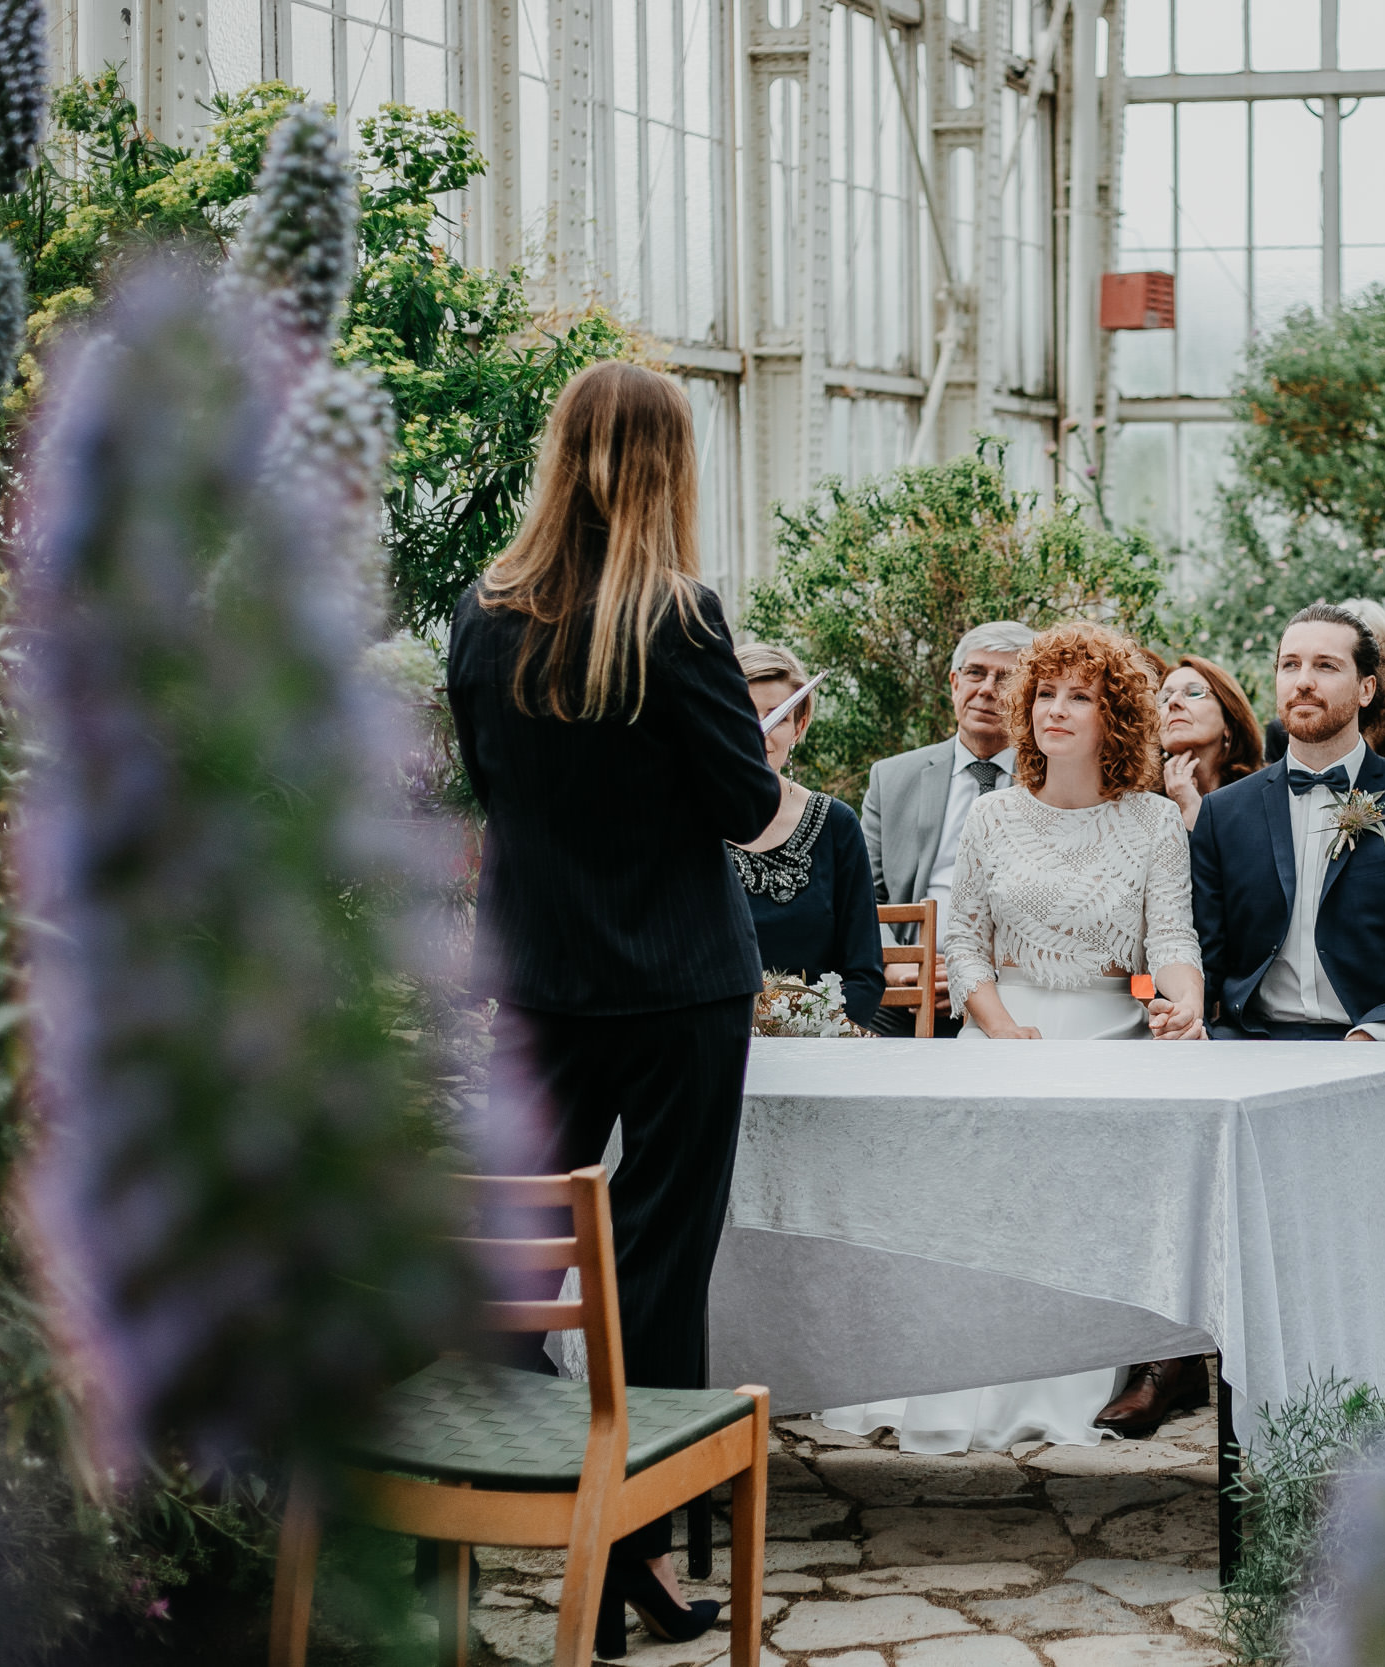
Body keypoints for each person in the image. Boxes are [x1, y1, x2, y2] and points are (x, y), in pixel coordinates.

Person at [446, 360, 777, 1655]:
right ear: (669, 467)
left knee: (517, 1252)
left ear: (557, 450)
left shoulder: (482, 615)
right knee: (656, 1261)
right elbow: (749, 805)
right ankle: (629, 1541)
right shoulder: (678, 618)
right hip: (684, 981)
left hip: (536, 978)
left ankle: (494, 1509)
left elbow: (489, 782)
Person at [825, 621, 1208, 1453]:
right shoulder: (994, 817)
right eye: (1045, 693)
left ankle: (1102, 1362)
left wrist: (1182, 1009)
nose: (1054, 710)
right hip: (1005, 1033)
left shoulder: (1152, 823)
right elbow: (961, 943)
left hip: (1113, 1033)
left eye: (1081, 696)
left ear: (1117, 718)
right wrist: (998, 1026)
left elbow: (1172, 945)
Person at [1192, 604, 1385, 1043]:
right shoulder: (1223, 812)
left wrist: (1382, 1029)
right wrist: (1190, 1022)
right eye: (1290, 665)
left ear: (1367, 689)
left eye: (1326, 666)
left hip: (1377, 1043)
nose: (1303, 680)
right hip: (1253, 1044)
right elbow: (1204, 958)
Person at [860, 620, 1036, 1035]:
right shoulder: (892, 778)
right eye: (976, 673)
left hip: (1014, 990)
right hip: (909, 983)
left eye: (1006, 678)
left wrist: (977, 979)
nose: (988, 689)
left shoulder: (1052, 783)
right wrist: (900, 966)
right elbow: (863, 894)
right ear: (955, 683)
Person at [729, 643, 884, 1030]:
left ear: (798, 726)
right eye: (743, 714)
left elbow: (864, 975)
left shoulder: (837, 824)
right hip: (707, 1051)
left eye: (776, 717)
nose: (759, 731)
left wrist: (809, 1032)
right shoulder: (683, 823)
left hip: (816, 1053)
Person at [1159, 653, 1263, 831]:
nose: (1173, 702)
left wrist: (1193, 810)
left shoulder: (1262, 797)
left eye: (1193, 693)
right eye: (1164, 697)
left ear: (1228, 724)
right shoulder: (1140, 804)